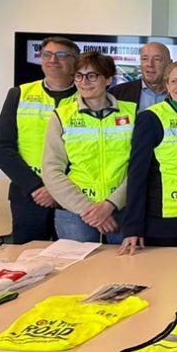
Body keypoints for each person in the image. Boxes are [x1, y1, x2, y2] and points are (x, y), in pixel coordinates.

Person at [0, 35, 80, 244]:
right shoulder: (19, 94)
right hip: (30, 196)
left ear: (75, 62)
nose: (53, 60)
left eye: (61, 55)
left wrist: (59, 189)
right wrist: (36, 187)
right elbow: (1, 149)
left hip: (74, 196)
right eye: (47, 54)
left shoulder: (89, 97)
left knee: (74, 257)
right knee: (27, 258)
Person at [41, 51, 134, 245]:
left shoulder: (132, 113)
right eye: (79, 76)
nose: (84, 82)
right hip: (76, 213)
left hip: (122, 209)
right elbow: (51, 170)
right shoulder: (61, 116)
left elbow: (139, 167)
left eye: (92, 76)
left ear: (108, 79)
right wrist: (89, 210)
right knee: (78, 265)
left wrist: (110, 204)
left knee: (125, 263)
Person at [119, 62, 177, 254]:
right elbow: (137, 175)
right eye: (174, 81)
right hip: (164, 222)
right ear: (167, 86)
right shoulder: (151, 118)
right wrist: (133, 226)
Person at [111, 41, 172, 110]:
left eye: (157, 59)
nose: (150, 64)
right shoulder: (117, 93)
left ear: (169, 64)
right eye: (145, 59)